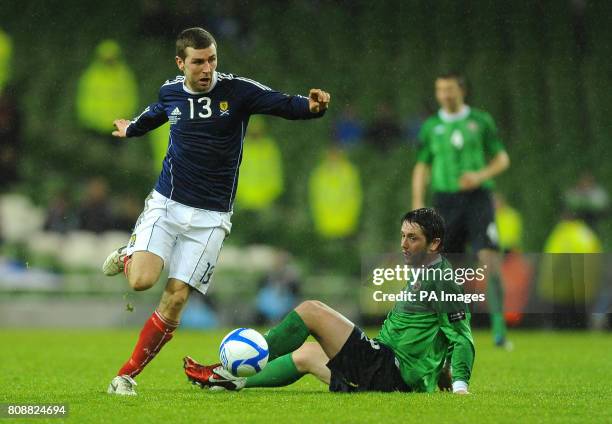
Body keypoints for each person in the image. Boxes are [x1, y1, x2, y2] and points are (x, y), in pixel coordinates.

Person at [102, 27, 330, 396]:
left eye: (212, 59)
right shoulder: (171, 91)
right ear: (181, 63)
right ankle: (130, 255)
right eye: (198, 61)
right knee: (141, 281)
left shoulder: (237, 91)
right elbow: (157, 113)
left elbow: (284, 103)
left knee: (175, 298)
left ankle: (125, 375)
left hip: (211, 218)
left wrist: (313, 107)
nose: (207, 68)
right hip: (168, 202)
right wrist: (131, 129)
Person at [184, 208, 474, 394]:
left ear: (434, 243)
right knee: (306, 355)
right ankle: (233, 380)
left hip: (391, 371)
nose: (403, 244)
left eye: (412, 238)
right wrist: (443, 370)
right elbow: (438, 331)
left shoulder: (441, 278)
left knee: (311, 311)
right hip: (388, 372)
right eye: (402, 236)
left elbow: (461, 337)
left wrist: (460, 386)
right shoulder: (425, 271)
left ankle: (237, 363)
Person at [411, 72, 510, 347]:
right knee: (446, 267)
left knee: (489, 259)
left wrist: (479, 176)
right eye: (440, 89)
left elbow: (502, 158)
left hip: (478, 199)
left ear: (462, 91)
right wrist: (418, 201)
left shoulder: (480, 121)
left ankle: (500, 330)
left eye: (450, 89)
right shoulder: (431, 126)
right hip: (445, 201)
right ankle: (446, 327)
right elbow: (422, 165)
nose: (445, 94)